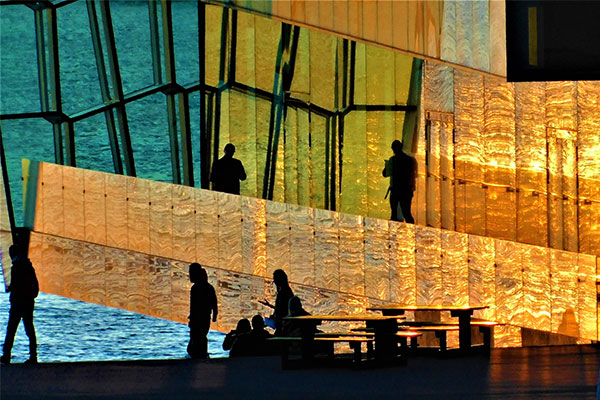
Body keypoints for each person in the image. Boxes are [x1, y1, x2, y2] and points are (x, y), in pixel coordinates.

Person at [1, 244, 39, 364]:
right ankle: (33, 356)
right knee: (29, 328)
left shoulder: (16, 267)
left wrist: (12, 291)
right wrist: (32, 295)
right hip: (28, 302)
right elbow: (35, 284)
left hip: (18, 302)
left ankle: (6, 355)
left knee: (11, 329)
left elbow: (17, 286)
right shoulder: (28, 266)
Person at [187, 263, 218, 359]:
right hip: (204, 319)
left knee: (197, 342)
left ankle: (201, 358)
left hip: (198, 319)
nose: (189, 275)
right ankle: (203, 356)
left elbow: (194, 306)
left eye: (191, 273)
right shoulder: (209, 287)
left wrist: (192, 319)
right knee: (200, 340)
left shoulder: (196, 288)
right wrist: (214, 316)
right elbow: (214, 303)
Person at [382, 139, 417, 223]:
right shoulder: (410, 160)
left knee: (394, 213)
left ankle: (394, 233)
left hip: (396, 190)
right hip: (407, 190)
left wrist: (386, 165)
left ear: (393, 149)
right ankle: (413, 232)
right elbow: (414, 174)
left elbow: (385, 173)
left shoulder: (393, 160)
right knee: (407, 213)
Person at [258, 269, 294, 336]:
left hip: (283, 324)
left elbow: (283, 309)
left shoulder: (285, 292)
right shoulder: (283, 291)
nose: (274, 281)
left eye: (275, 278)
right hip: (281, 324)